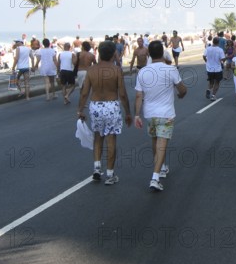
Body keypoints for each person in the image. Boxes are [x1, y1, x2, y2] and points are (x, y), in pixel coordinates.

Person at [134, 40, 187, 192]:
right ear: (163, 53)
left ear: (149, 54)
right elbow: (182, 89)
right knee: (162, 143)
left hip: (149, 114)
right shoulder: (170, 70)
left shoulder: (143, 71)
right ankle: (155, 178)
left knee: (155, 140)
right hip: (166, 113)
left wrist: (137, 115)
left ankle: (162, 167)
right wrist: (181, 94)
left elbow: (138, 96)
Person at [78, 40, 132, 185]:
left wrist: (80, 109)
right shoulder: (116, 71)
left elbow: (84, 93)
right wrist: (128, 113)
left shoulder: (91, 70)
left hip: (95, 105)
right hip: (111, 106)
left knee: (97, 138)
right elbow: (123, 94)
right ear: (113, 53)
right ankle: (110, 174)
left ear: (99, 53)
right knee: (111, 139)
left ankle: (96, 169)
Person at [203, 37, 225, 101]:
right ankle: (213, 95)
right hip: (218, 69)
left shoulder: (208, 49)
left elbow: (204, 56)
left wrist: (206, 61)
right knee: (217, 82)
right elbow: (222, 59)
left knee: (211, 81)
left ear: (213, 41)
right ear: (218, 42)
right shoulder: (220, 50)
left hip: (209, 69)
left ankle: (208, 89)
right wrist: (223, 60)